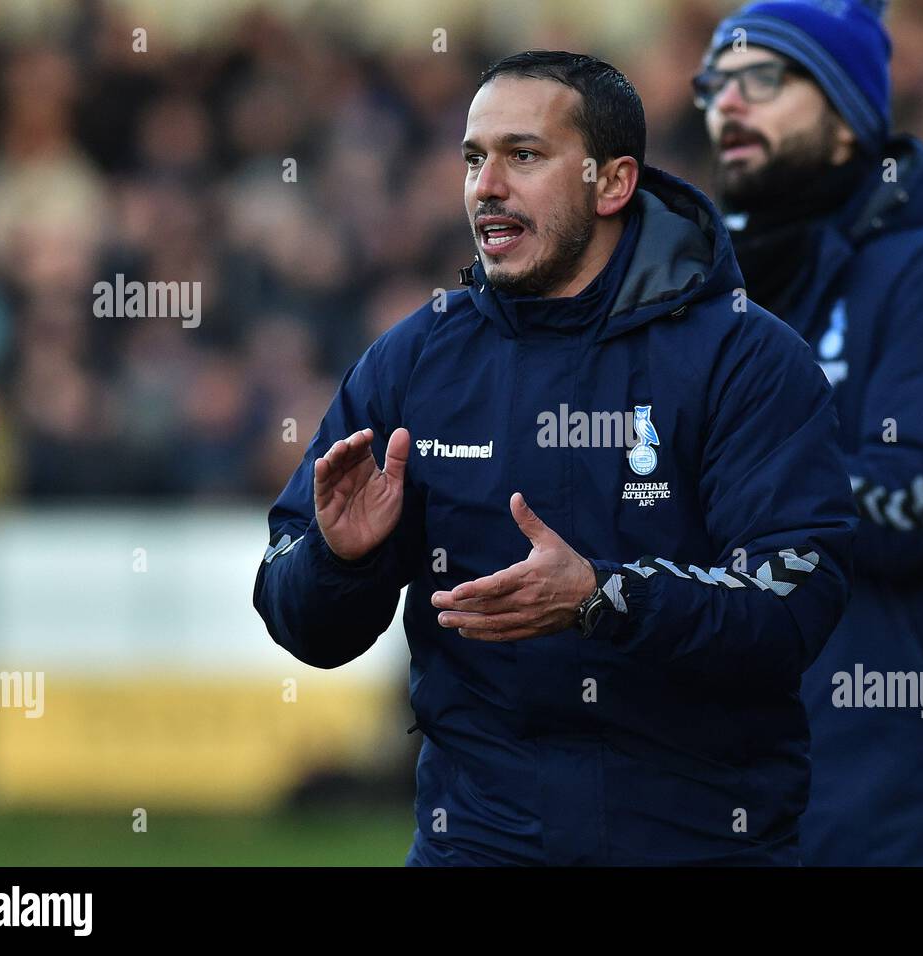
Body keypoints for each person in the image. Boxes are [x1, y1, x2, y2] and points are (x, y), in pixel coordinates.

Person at [254, 50, 856, 866]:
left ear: (611, 185)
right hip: (476, 844)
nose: (485, 186)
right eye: (473, 158)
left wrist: (604, 598)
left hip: (704, 845)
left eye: (523, 155)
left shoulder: (746, 359)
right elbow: (304, 623)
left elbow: (794, 603)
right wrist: (339, 560)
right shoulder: (417, 359)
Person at [696, 1, 923, 864]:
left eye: (762, 80)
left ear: (849, 120)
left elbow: (905, 510)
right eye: (715, 86)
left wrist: (717, 467)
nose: (726, 105)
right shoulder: (720, 298)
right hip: (760, 802)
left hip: (920, 817)